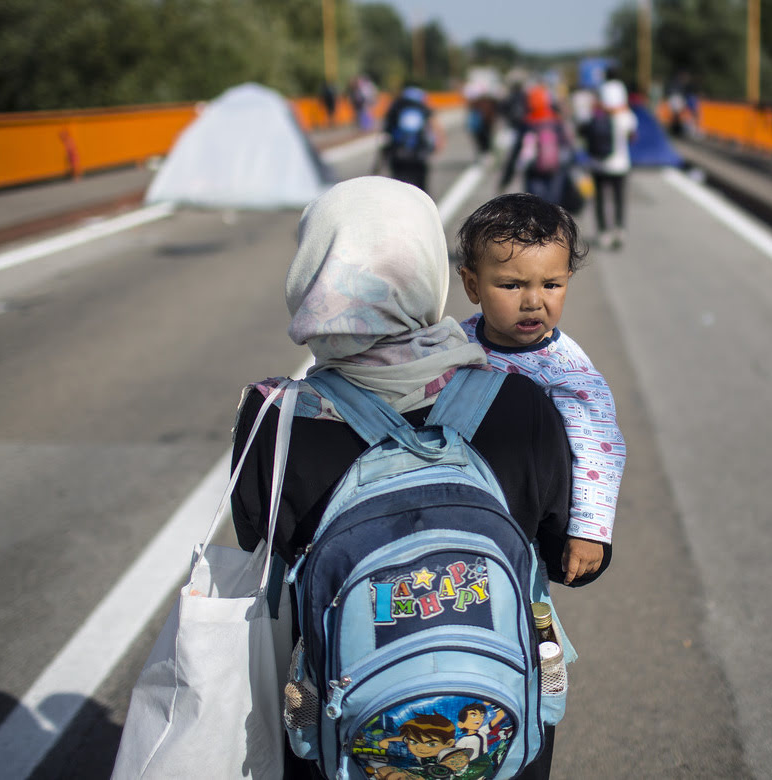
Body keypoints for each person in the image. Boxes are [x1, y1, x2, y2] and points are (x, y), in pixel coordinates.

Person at [230, 177, 609, 780]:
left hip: (346, 723)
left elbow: (259, 537)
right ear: (435, 271)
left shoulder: (273, 417)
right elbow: (555, 537)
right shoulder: (520, 400)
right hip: (491, 724)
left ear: (313, 271)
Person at [456, 192, 624, 568]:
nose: (533, 301)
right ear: (472, 286)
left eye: (551, 285)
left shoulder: (564, 368)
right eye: (512, 286)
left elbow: (599, 445)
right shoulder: (456, 341)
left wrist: (588, 531)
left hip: (523, 521)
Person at [499, 85, 574, 208]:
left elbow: (516, 151)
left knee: (535, 205)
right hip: (556, 168)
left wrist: (506, 178)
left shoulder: (527, 123)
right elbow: (567, 146)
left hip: (533, 169)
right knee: (554, 206)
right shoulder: (556, 120)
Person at [588, 74, 637, 249]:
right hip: (620, 164)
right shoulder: (626, 116)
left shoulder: (596, 115)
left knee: (601, 199)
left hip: (598, 164)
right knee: (619, 198)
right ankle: (619, 229)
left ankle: (603, 232)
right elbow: (632, 137)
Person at [379, 85, 445, 192]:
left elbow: (386, 130)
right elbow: (435, 126)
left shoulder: (397, 106)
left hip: (398, 153)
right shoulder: (422, 107)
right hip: (419, 153)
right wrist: (439, 143)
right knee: (421, 187)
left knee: (399, 186)